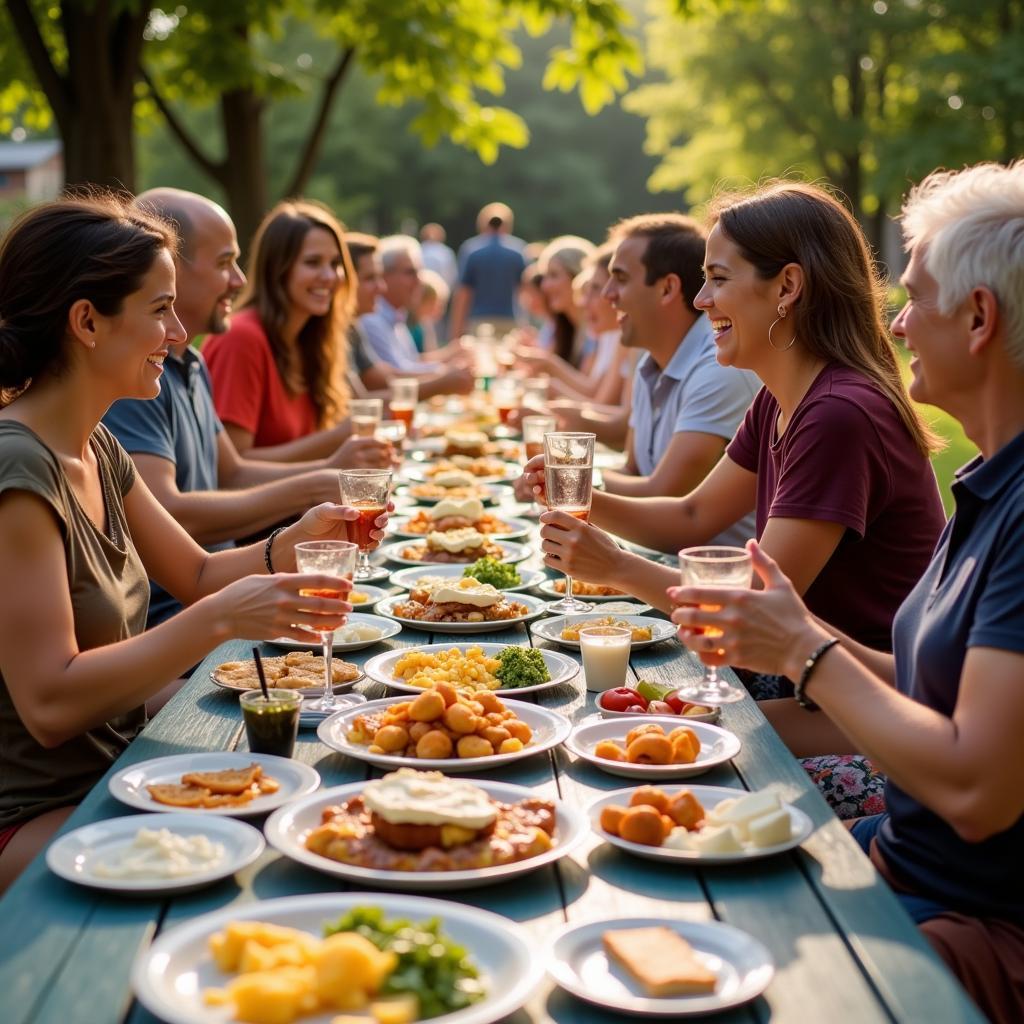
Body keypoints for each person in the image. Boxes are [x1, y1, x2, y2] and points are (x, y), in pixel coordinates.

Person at [668, 162, 1024, 1024]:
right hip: (899, 856)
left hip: (963, 922)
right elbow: (916, 679)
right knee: (667, 876)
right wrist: (793, 646)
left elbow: (980, 792)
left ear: (979, 319)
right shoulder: (988, 484)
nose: (897, 323)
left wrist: (802, 649)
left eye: (915, 298)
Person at [0, 194, 386, 891]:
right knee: (290, 860)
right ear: (86, 321)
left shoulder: (98, 444)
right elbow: (49, 704)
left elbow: (201, 572)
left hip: (121, 771)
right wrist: (219, 621)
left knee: (331, 812)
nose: (179, 333)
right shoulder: (19, 467)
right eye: (159, 310)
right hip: (34, 815)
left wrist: (296, 541)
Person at [523, 182, 946, 795]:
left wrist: (615, 566)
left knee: (638, 757)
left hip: (870, 714)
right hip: (801, 685)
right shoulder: (781, 397)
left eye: (717, 279)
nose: (700, 300)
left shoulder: (838, 414)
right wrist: (581, 500)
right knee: (610, 727)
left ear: (787, 288)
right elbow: (694, 513)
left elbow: (747, 608)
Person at [102, 189, 381, 628]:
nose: (238, 279)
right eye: (223, 263)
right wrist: (315, 484)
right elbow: (174, 514)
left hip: (222, 594)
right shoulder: (128, 383)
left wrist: (323, 481)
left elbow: (230, 472)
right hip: (179, 617)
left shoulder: (190, 361)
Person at [202, 199, 390, 463]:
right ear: (278, 270)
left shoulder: (314, 338)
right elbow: (233, 469)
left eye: (335, 263)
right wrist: (339, 438)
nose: (329, 276)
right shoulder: (242, 338)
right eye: (313, 263)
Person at [346, 234, 472, 399]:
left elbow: (388, 373)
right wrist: (442, 379)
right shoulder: (369, 320)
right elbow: (377, 387)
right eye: (410, 272)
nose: (381, 287)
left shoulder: (357, 324)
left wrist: (448, 368)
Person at [449, 202, 527, 338]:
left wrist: (455, 334)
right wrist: (525, 325)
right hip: (509, 321)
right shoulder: (518, 251)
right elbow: (524, 293)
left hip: (479, 322)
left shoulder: (471, 250)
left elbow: (463, 293)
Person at [418, 221, 458, 293]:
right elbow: (451, 276)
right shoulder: (446, 252)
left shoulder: (418, 250)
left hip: (421, 291)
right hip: (441, 292)